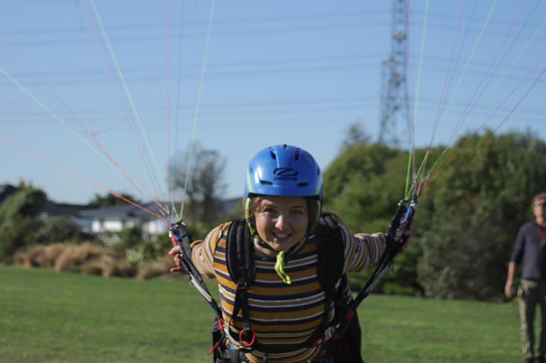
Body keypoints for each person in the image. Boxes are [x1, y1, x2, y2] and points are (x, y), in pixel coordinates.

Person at [169, 144, 395, 363]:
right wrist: (186, 257)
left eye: (296, 211)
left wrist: (393, 240)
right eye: (269, 210)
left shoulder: (332, 243)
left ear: (312, 214)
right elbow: (196, 257)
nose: (281, 224)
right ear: (251, 211)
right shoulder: (225, 244)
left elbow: (368, 249)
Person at [505, 192, 546, 363]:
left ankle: (542, 355)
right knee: (526, 323)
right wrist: (510, 281)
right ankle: (529, 355)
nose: (541, 208)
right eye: (538, 205)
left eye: (545, 205)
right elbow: (515, 258)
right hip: (528, 283)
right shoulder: (526, 229)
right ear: (533, 209)